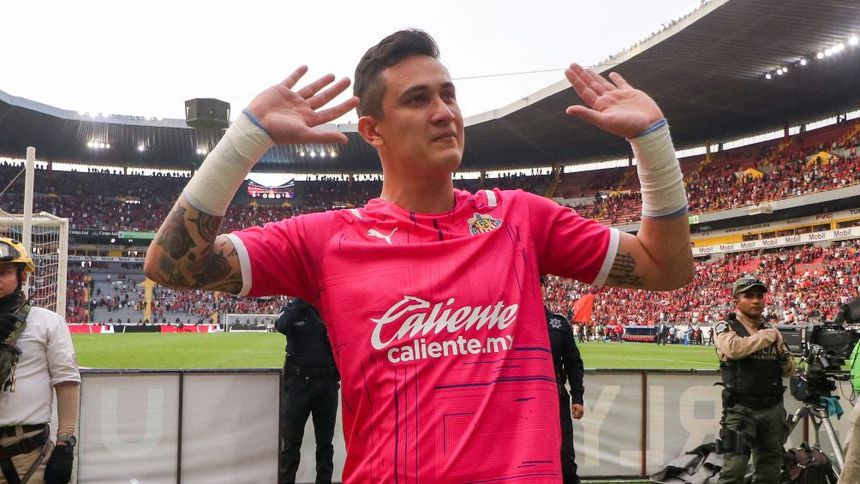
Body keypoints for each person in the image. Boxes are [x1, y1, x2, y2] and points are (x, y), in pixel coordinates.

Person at [144, 29, 694, 482]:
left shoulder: (521, 219)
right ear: (372, 130)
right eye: (418, 99)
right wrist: (244, 140)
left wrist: (652, 141)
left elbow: (665, 267)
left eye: (448, 95)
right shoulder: (326, 239)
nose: (444, 112)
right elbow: (172, 266)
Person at [0, 237, 80, 484]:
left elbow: (67, 382)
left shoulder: (47, 322)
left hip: (29, 457)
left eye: (4, 272)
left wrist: (65, 443)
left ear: (23, 276)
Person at [714, 275, 794, 484]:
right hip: (741, 409)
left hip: (773, 409)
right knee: (734, 469)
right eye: (749, 296)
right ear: (736, 300)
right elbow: (733, 349)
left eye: (760, 295)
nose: (756, 300)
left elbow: (789, 370)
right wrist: (767, 337)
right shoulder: (726, 326)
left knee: (770, 471)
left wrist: (783, 356)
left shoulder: (771, 329)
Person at [274, 298, 339, 484]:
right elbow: (281, 325)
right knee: (291, 444)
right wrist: (301, 300)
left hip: (327, 383)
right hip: (298, 383)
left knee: (325, 445)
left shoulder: (331, 307)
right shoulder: (295, 307)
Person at [546, 307, 585, 484]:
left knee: (565, 457)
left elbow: (573, 362)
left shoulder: (558, 324)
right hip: (521, 401)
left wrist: (577, 397)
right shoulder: (509, 319)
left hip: (555, 397)